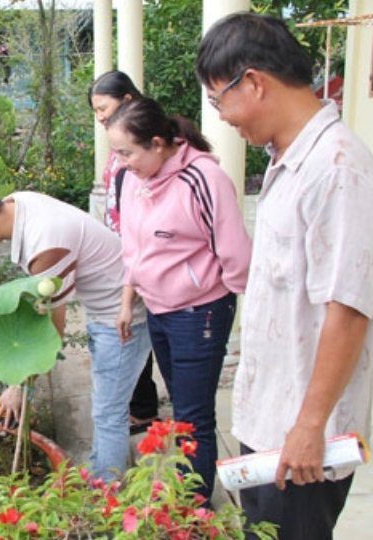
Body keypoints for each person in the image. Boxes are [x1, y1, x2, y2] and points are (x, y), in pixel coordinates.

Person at [196, 12, 373, 538]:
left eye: (219, 101)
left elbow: (349, 307)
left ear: (254, 82)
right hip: (274, 421)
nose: (223, 118)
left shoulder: (337, 168)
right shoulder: (289, 159)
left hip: (305, 441)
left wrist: (309, 426)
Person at [0, 181, 150, 481]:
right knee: (106, 405)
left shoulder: (46, 243)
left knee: (108, 412)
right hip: (102, 305)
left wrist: (19, 387)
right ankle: (101, 473)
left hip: (121, 316)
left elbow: (51, 329)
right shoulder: (14, 205)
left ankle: (104, 492)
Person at [106, 96, 252, 500]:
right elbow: (131, 246)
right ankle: (189, 496)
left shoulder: (203, 178)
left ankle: (195, 508)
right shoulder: (132, 180)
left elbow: (236, 252)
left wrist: (225, 299)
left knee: (192, 418)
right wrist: (126, 299)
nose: (120, 163)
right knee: (182, 412)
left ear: (157, 143)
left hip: (199, 313)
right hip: (158, 309)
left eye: (126, 152)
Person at [88, 70, 161, 436]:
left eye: (104, 107)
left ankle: (144, 409)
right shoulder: (123, 148)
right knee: (133, 331)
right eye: (96, 111)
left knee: (136, 332)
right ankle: (141, 407)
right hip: (124, 253)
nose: (100, 116)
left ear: (128, 101)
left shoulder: (149, 149)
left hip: (140, 257)